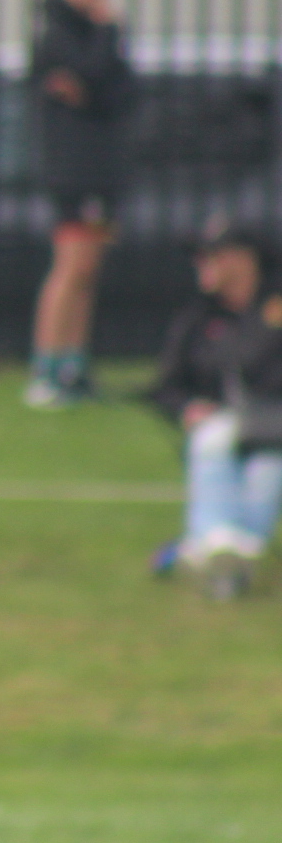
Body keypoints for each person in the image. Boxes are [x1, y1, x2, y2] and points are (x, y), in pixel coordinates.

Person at [24, 0, 134, 409]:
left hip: (102, 170)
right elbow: (88, 74)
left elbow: (118, 92)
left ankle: (74, 362)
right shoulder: (56, 33)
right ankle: (46, 366)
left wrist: (92, 83)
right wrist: (106, 36)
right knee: (70, 265)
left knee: (90, 267)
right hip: (74, 170)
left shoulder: (99, 34)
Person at [146, 222, 282, 598]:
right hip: (220, 425)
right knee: (214, 440)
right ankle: (230, 554)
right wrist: (187, 409)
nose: (203, 264)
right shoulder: (197, 318)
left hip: (274, 425)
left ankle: (206, 548)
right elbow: (167, 387)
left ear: (245, 260)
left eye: (214, 255)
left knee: (267, 467)